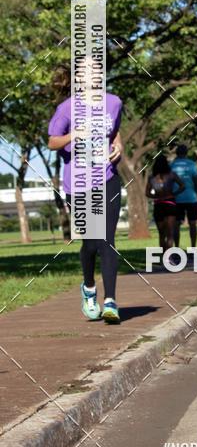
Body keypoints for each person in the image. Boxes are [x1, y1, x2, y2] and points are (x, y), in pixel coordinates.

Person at [48, 63, 124, 324]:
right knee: (90, 244)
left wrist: (119, 143)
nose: (91, 74)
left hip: (108, 179)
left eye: (96, 69)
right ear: (78, 78)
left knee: (107, 240)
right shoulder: (67, 108)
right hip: (78, 184)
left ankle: (111, 301)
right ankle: (89, 289)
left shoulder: (114, 102)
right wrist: (74, 133)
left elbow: (113, 130)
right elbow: (52, 141)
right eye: (85, 71)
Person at [146, 155, 185, 252]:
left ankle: (164, 257)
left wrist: (156, 197)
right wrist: (174, 193)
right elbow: (182, 186)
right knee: (170, 234)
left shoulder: (151, 177)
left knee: (161, 234)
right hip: (170, 203)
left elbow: (147, 193)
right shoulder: (172, 174)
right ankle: (169, 257)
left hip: (158, 205)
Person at [171, 144, 197, 248]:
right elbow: (196, 181)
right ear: (186, 153)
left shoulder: (172, 165)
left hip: (177, 199)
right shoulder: (192, 164)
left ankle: (177, 248)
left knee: (176, 225)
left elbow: (169, 182)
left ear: (176, 153)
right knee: (193, 224)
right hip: (191, 198)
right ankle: (193, 248)